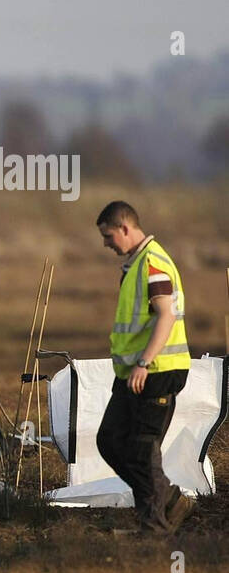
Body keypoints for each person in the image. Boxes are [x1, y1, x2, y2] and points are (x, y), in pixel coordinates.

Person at [94, 201, 195, 534]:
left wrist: (144, 362)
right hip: (134, 374)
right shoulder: (135, 263)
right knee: (110, 440)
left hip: (156, 372)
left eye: (108, 235)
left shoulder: (152, 262)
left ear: (125, 228)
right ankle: (169, 500)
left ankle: (154, 529)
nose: (106, 243)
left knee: (141, 450)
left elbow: (167, 315)